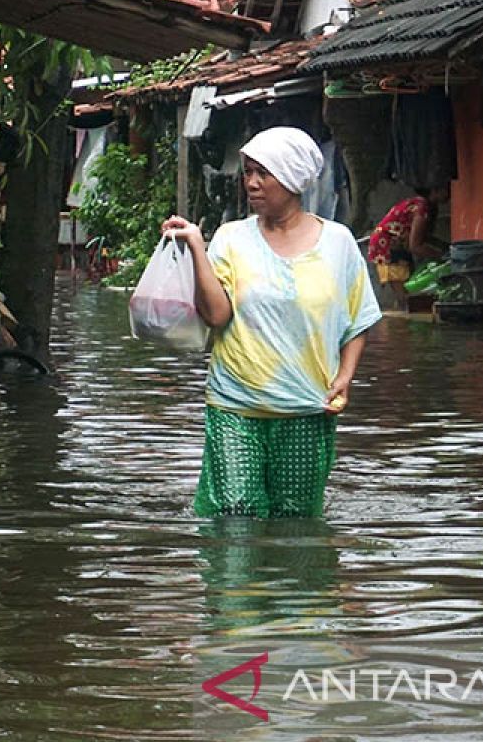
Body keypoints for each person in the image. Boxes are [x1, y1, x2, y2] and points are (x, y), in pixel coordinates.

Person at [161, 127, 382, 518]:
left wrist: (345, 377)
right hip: (236, 404)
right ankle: (232, 583)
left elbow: (358, 319)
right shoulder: (231, 239)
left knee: (295, 522)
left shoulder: (339, 243)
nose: (252, 182)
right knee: (236, 514)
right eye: (248, 172)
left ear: (294, 177)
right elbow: (216, 316)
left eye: (264, 173)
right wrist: (197, 246)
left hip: (306, 406)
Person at [366, 186, 448, 308]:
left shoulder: (425, 206)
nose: (449, 192)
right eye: (446, 189)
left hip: (395, 246)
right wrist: (442, 256)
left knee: (408, 289)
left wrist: (444, 247)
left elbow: (422, 237)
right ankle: (401, 317)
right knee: (404, 295)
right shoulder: (422, 208)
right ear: (434, 191)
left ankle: (401, 313)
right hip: (387, 247)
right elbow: (415, 246)